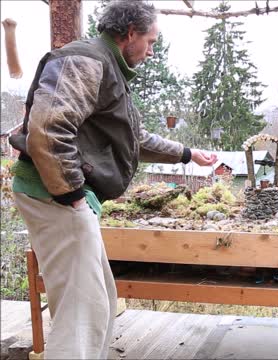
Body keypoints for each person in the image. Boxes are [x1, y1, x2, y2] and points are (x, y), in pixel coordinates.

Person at [9, 2, 216, 358]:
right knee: (82, 312)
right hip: (53, 197)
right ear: (130, 33)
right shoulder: (85, 61)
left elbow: (132, 138)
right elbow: (46, 130)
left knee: (98, 300)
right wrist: (72, 195)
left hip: (60, 197)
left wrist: (186, 153)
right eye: (150, 41)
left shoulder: (106, 67)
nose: (152, 51)